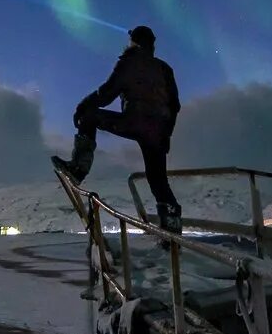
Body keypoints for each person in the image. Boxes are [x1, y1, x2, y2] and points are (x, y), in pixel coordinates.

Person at [52, 25, 183, 233]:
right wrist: (167, 134)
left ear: (134, 41)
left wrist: (82, 106)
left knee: (90, 117)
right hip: (159, 132)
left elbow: (106, 94)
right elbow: (174, 106)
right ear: (152, 44)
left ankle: (78, 169)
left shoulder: (129, 62)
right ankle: (172, 234)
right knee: (158, 180)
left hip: (136, 122)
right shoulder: (165, 69)